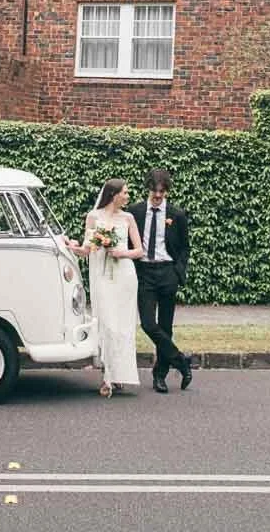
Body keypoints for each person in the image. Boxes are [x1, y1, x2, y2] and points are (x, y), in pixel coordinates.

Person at [69, 178, 143, 397]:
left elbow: (139, 250)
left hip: (124, 275)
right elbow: (87, 249)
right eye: (125, 193)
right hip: (102, 276)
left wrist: (123, 252)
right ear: (113, 195)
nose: (128, 197)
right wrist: (71, 247)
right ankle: (108, 375)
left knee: (123, 326)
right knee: (107, 324)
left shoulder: (128, 218)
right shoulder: (94, 217)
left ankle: (118, 375)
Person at [128, 168, 193, 393]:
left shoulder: (177, 215)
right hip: (144, 273)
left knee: (166, 326)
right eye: (155, 191)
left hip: (167, 273)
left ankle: (160, 376)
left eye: (162, 192)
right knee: (148, 323)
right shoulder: (134, 212)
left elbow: (185, 248)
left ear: (166, 192)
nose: (157, 196)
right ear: (148, 189)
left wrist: (177, 272)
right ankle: (181, 361)